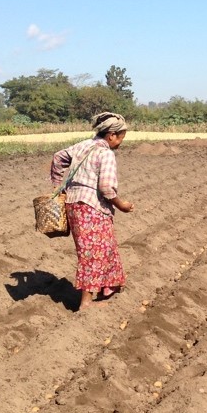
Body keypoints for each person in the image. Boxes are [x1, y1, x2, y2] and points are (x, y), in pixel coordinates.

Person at [50, 111, 135, 312]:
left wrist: (57, 186)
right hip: (91, 209)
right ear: (111, 135)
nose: (121, 142)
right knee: (93, 253)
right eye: (121, 137)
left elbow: (58, 157)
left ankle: (108, 287)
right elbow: (106, 187)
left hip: (73, 205)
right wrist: (121, 204)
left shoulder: (83, 145)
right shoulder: (105, 153)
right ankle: (86, 302)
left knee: (106, 246)